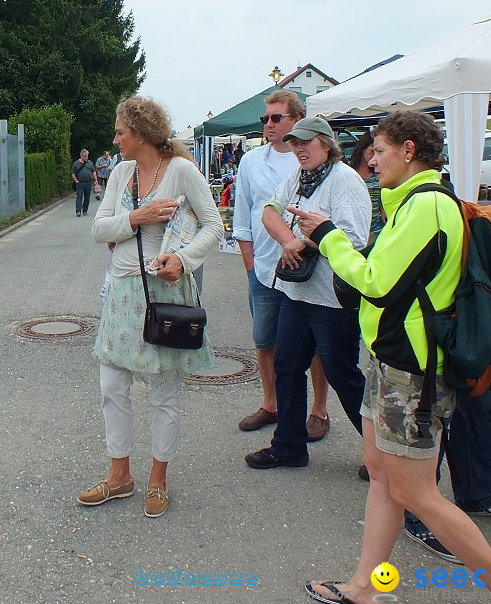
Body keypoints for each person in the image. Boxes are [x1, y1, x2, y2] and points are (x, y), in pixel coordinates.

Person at [293, 110, 491, 604]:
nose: (370, 159)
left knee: (416, 494)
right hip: (394, 362)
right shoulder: (414, 201)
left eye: (378, 150)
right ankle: (363, 587)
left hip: (413, 371)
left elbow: (377, 283)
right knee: (383, 475)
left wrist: (327, 236)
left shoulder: (425, 205)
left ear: (408, 150)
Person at [80, 95, 221, 519]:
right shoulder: (122, 173)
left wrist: (184, 259)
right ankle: (119, 474)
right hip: (122, 291)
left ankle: (158, 478)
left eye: (120, 131)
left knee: (162, 392)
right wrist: (139, 217)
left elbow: (214, 225)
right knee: (112, 386)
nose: (115, 138)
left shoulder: (180, 171)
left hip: (164, 294)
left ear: (139, 134)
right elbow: (98, 227)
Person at [244, 116, 370, 469]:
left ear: (326, 145)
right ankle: (289, 447)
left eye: (306, 142)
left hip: (332, 298)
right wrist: (288, 241)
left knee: (343, 375)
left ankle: (383, 457)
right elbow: (269, 211)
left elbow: (356, 237)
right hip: (297, 293)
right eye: (295, 143)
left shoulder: (345, 180)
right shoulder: (300, 177)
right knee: (287, 368)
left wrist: (301, 242)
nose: (299, 148)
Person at [233, 90, 332, 442]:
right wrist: (248, 260)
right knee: (265, 339)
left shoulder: (311, 159)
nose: (269, 125)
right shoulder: (251, 161)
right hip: (264, 268)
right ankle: (271, 404)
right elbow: (243, 213)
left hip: (311, 268)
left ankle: (319, 409)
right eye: (266, 119)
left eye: (277, 118)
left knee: (315, 343)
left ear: (297, 121)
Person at [349, 131, 384, 244]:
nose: (375, 157)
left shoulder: (380, 172)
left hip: (376, 227)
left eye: (379, 152)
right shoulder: (347, 171)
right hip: (354, 227)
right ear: (362, 148)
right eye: (372, 151)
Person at [72, 149, 96, 216]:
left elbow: (93, 171)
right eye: (85, 156)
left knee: (87, 197)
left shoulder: (90, 163)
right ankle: (78, 210)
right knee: (79, 196)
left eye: (87, 156)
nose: (86, 158)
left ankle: (85, 210)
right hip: (80, 183)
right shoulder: (76, 163)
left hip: (88, 182)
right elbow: (73, 173)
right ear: (81, 156)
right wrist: (76, 181)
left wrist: (95, 180)